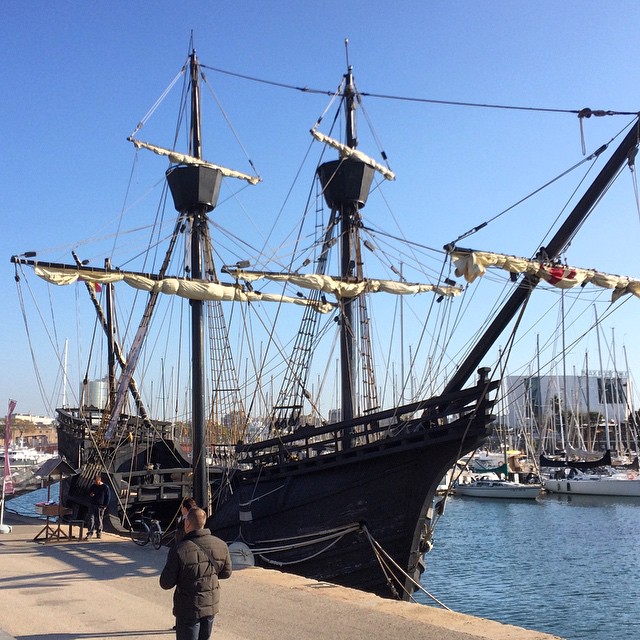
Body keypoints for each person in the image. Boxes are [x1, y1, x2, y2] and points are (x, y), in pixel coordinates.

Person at [160, 507, 232, 640]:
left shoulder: (179, 549)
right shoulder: (221, 545)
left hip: (188, 607)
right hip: (210, 604)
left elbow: (165, 583)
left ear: (187, 524)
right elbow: (226, 573)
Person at [86, 474, 110, 539]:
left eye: (97, 482)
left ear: (100, 480)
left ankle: (99, 532)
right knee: (91, 519)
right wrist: (90, 494)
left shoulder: (105, 487)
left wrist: (105, 505)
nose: (96, 483)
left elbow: (107, 497)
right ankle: (90, 532)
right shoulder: (93, 486)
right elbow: (89, 493)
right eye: (95, 482)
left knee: (99, 519)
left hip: (101, 505)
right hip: (93, 504)